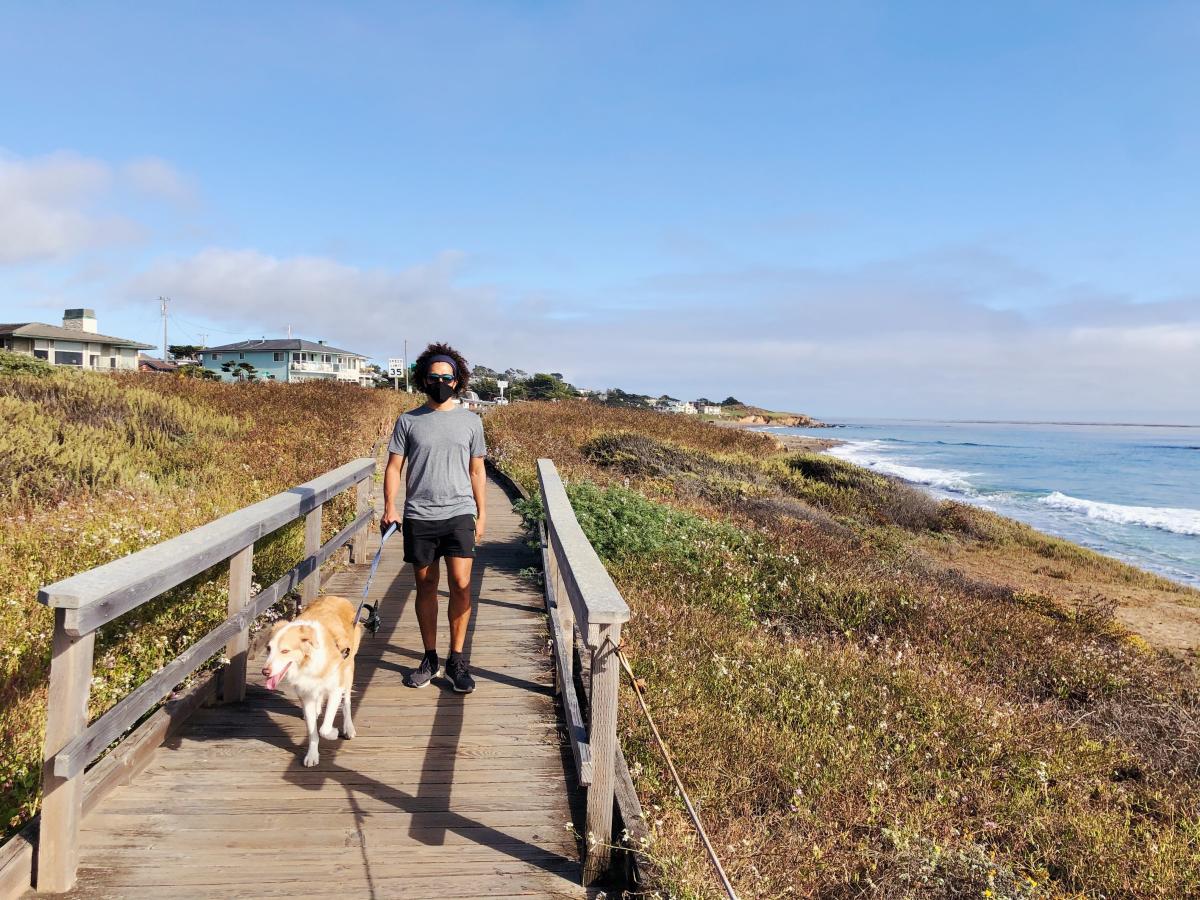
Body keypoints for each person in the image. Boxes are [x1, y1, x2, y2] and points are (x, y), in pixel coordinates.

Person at [381, 343, 486, 693]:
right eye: (434, 377)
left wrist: (482, 513)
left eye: (447, 377)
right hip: (419, 515)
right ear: (423, 379)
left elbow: (477, 471)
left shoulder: (471, 422)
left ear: (457, 381)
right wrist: (390, 506)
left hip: (459, 512)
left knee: (460, 584)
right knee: (425, 585)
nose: (440, 382)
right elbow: (394, 467)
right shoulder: (408, 420)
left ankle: (458, 660)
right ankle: (430, 658)